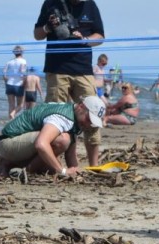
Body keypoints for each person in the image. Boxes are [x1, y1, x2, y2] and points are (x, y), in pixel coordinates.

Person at [34, 0, 105, 167]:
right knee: (55, 119)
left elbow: (100, 36)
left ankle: (94, 166)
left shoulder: (90, 5)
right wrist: (48, 28)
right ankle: (56, 165)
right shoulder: (51, 3)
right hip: (56, 69)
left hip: (83, 69)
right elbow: (37, 35)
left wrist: (85, 40)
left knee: (93, 117)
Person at [0, 95, 106, 178]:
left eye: (92, 123)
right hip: (8, 142)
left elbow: (71, 154)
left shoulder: (72, 114)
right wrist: (62, 171)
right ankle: (28, 171)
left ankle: (8, 163)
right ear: (81, 106)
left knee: (51, 166)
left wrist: (75, 171)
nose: (88, 125)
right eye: (88, 119)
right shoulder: (63, 118)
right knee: (62, 140)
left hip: (17, 143)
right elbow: (41, 144)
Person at [3, 45, 27, 118]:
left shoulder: (9, 62)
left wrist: (6, 81)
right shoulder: (23, 61)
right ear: (22, 52)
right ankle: (13, 113)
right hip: (19, 84)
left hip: (9, 84)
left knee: (11, 104)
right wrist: (24, 82)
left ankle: (10, 121)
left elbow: (4, 73)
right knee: (20, 105)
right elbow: (22, 72)